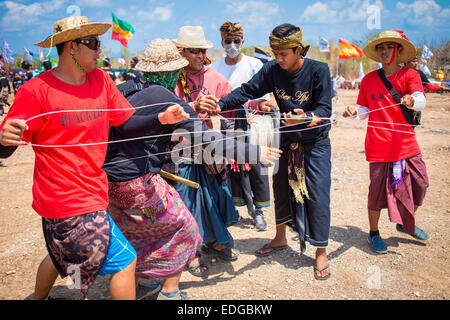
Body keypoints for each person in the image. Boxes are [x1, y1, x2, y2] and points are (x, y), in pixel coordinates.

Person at [0, 16, 189, 300]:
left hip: (92, 191)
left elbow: (124, 123)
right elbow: (7, 146)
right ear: (72, 47)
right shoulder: (35, 90)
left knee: (60, 253)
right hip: (66, 199)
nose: (100, 49)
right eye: (93, 43)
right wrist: (3, 140)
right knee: (125, 261)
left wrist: (161, 118)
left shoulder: (100, 81)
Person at [109, 38, 282, 299]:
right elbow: (209, 139)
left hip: (110, 183)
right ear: (169, 72)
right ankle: (170, 292)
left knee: (138, 232)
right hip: (138, 182)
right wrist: (255, 152)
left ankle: (145, 280)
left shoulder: (124, 88)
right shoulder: (164, 96)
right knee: (186, 228)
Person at [217, 23, 333, 280]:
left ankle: (321, 251)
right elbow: (247, 90)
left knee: (317, 193)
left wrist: (307, 116)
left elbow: (325, 111)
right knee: (281, 188)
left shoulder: (319, 71)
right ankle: (280, 237)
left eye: (284, 54)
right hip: (285, 138)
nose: (278, 59)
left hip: (315, 143)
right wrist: (221, 104)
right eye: (275, 53)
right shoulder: (272, 69)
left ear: (299, 50)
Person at [343, 30, 429, 254]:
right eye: (381, 48)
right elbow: (363, 110)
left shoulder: (410, 75)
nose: (384, 51)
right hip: (378, 144)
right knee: (377, 193)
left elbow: (420, 100)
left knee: (421, 184)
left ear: (398, 50)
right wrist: (353, 110)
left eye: (389, 47)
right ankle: (373, 233)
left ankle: (404, 222)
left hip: (406, 143)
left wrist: (411, 100)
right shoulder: (369, 80)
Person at [171, 25, 244, 262]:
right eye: (195, 50)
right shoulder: (171, 77)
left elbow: (234, 101)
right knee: (187, 201)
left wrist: (258, 106)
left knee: (217, 197)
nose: (201, 55)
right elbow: (165, 113)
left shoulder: (213, 77)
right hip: (181, 152)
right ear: (181, 52)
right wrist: (194, 107)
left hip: (211, 151)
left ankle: (215, 241)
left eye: (203, 50)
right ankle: (190, 253)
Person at [210, 21, 272, 231]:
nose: (232, 45)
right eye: (228, 41)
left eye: (236, 41)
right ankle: (232, 210)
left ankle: (259, 212)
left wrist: (262, 106)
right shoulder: (214, 68)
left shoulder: (254, 65)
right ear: (222, 42)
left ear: (242, 42)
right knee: (230, 167)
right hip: (225, 125)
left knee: (255, 164)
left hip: (251, 123)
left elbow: (264, 97)